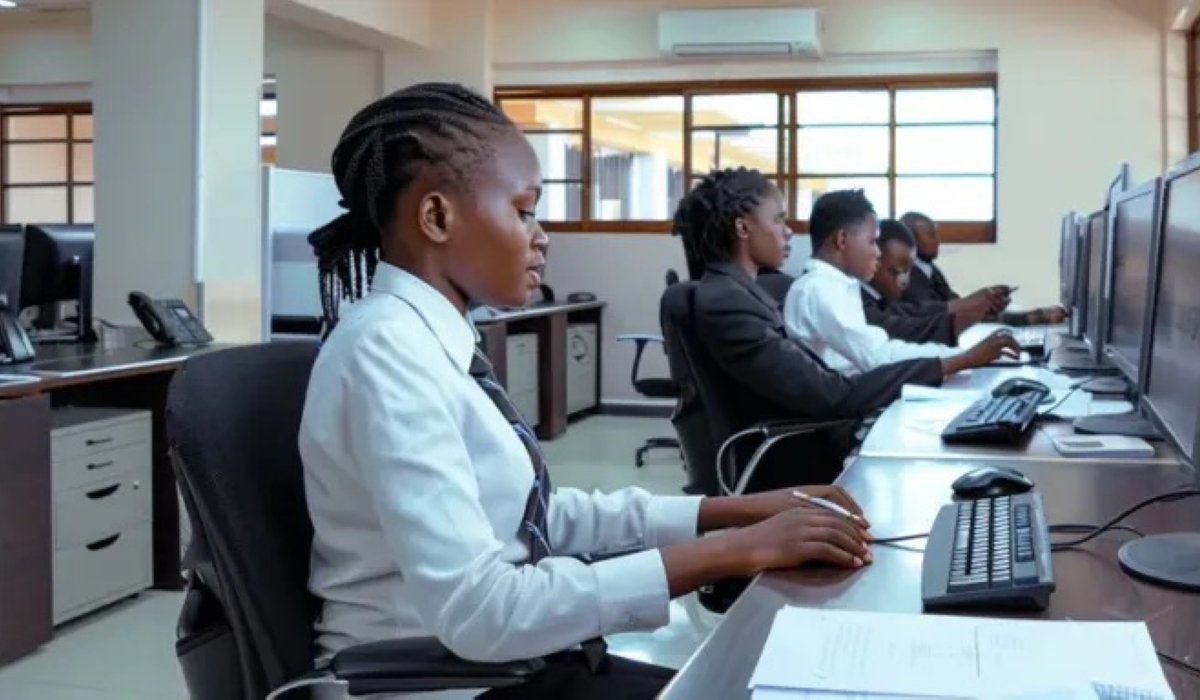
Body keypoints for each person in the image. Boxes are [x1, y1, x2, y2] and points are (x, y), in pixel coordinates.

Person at [296, 83, 874, 700]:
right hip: (435, 682)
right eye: (523, 210)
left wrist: (738, 510)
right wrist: (734, 550)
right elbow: (480, 611)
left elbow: (535, 515)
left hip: (506, 662)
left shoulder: (433, 338)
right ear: (437, 217)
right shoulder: (385, 351)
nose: (542, 235)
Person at [677, 168, 972, 489]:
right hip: (796, 462)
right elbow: (832, 395)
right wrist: (948, 364)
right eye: (778, 220)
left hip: (809, 439)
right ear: (743, 226)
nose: (788, 232)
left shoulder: (744, 292)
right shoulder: (727, 301)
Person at [782, 190, 1019, 376]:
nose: (877, 252)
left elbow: (883, 349)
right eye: (872, 242)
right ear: (842, 239)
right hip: (844, 422)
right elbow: (878, 357)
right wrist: (965, 358)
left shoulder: (832, 285)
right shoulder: (820, 289)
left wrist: (959, 355)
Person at [900, 211, 1068, 326]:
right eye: (931, 234)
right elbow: (949, 313)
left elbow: (955, 302)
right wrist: (1027, 318)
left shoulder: (929, 268)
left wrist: (986, 304)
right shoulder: (910, 277)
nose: (938, 239)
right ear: (911, 241)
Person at [863, 218, 979, 343]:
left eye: (907, 272)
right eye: (896, 272)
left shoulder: (930, 268)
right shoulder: (862, 303)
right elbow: (901, 324)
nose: (904, 281)